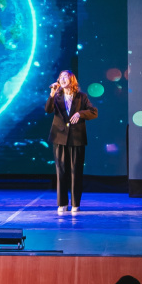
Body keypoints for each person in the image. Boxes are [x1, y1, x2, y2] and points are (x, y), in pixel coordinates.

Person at [45, 70, 97, 213]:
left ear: (72, 80)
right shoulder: (57, 96)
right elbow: (48, 109)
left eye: (65, 77)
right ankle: (62, 203)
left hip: (76, 138)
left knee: (76, 171)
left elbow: (94, 112)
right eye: (60, 77)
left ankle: (75, 203)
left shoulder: (81, 96)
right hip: (59, 137)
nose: (62, 79)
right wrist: (51, 95)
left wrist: (80, 113)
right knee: (61, 171)